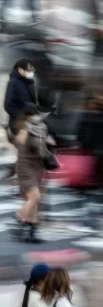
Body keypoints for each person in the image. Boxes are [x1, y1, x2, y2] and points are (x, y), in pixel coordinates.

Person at [15, 103, 54, 243]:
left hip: (37, 166)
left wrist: (46, 139)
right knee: (34, 197)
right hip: (25, 166)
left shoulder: (41, 129)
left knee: (35, 201)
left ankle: (31, 232)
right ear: (27, 116)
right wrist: (27, 129)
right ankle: (20, 216)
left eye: (36, 114)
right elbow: (20, 143)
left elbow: (50, 143)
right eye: (33, 114)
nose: (36, 117)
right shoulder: (24, 129)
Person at [4, 58, 37, 134]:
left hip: (30, 123)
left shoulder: (30, 83)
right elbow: (8, 105)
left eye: (32, 70)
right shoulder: (13, 83)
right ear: (20, 70)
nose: (31, 72)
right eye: (29, 70)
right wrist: (22, 116)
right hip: (18, 124)